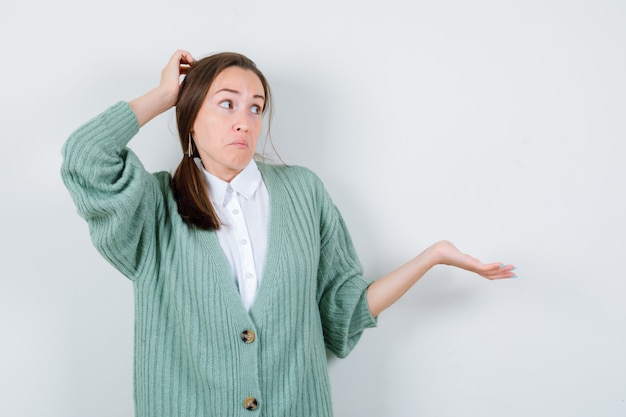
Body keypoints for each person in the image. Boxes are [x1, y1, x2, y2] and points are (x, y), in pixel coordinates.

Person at [61, 50, 516, 417]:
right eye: (226, 103)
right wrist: (163, 96)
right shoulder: (154, 205)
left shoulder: (303, 192)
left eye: (255, 107)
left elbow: (343, 312)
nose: (245, 120)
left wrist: (431, 256)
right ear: (190, 116)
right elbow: (85, 158)